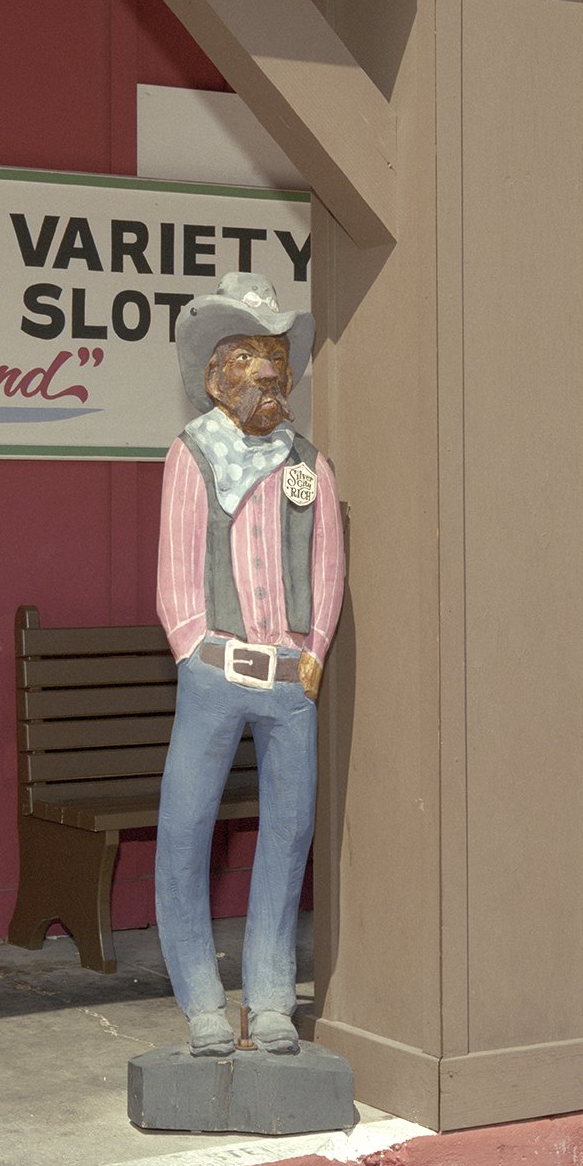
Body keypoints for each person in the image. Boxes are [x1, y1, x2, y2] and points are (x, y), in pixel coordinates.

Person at [154, 273, 345, 1058]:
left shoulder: (310, 464)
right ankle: (201, 1001)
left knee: (288, 834)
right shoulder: (191, 455)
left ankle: (269, 997)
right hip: (213, 671)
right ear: (214, 375)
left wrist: (316, 649)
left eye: (275, 357)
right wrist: (193, 644)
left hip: (288, 676)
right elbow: (175, 569)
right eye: (247, 358)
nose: (266, 372)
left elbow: (329, 560)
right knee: (186, 830)